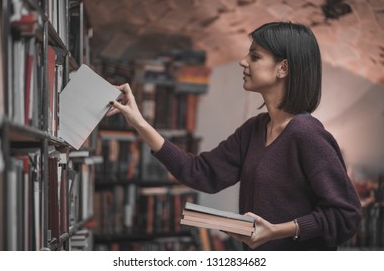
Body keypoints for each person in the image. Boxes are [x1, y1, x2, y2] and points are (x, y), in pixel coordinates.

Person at [106, 21, 362, 250]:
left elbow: (346, 215)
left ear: (282, 68)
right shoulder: (254, 129)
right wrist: (139, 122)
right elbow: (201, 173)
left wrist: (278, 231)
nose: (243, 62)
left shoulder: (307, 133)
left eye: (255, 56)